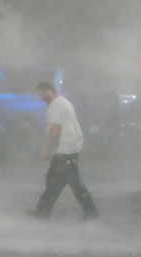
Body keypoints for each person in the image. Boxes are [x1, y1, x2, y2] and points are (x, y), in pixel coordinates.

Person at [27, 81, 99, 221]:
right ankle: (42, 211)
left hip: (65, 150)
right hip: (68, 148)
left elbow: (55, 129)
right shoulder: (63, 101)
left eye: (41, 95)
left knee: (73, 183)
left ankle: (91, 213)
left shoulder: (56, 105)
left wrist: (46, 148)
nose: (41, 98)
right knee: (54, 180)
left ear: (48, 91)